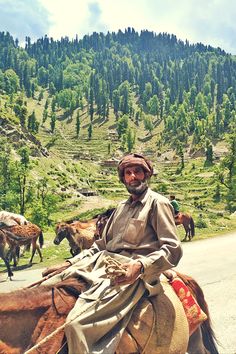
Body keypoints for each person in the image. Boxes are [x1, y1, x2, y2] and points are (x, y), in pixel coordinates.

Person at [43, 153, 182, 354]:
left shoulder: (157, 203)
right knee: (47, 285)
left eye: (138, 171)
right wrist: (69, 263)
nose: (133, 176)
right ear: (123, 178)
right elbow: (100, 246)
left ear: (146, 175)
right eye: (128, 173)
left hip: (129, 273)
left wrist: (140, 266)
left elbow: (173, 248)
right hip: (102, 263)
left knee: (77, 326)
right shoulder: (121, 207)